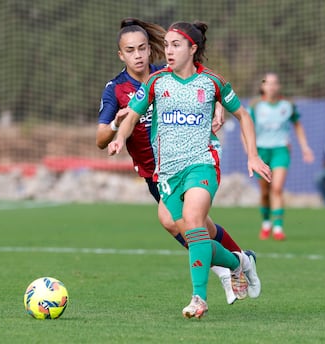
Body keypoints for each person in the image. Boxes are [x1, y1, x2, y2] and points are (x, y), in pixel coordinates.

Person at [108, 21, 271, 318]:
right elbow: (132, 115)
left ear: (192, 49)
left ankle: (199, 299)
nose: (168, 51)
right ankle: (238, 262)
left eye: (176, 45)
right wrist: (119, 137)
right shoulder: (157, 82)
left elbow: (244, 115)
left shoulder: (212, 82)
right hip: (167, 173)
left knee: (194, 220)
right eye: (167, 45)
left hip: (202, 163)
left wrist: (252, 156)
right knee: (181, 227)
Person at [247, 73, 314, 241]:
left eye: (275, 83)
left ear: (279, 86)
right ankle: (266, 224)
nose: (271, 86)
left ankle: (277, 228)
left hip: (281, 150)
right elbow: (246, 128)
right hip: (261, 152)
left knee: (276, 188)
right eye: (268, 83)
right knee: (264, 192)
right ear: (262, 86)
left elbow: (297, 125)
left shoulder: (287, 105)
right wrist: (250, 151)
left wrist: (305, 148)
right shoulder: (255, 106)